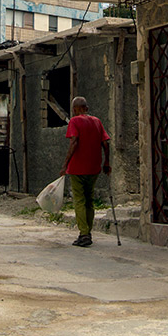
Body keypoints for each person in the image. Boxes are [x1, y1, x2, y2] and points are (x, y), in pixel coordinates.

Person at [60, 96, 110, 247]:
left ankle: (84, 234)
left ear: (75, 109)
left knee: (79, 200)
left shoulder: (75, 121)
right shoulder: (97, 121)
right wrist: (106, 162)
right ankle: (88, 231)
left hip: (77, 168)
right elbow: (105, 143)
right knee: (89, 200)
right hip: (94, 167)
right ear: (86, 108)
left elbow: (74, 142)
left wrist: (65, 164)